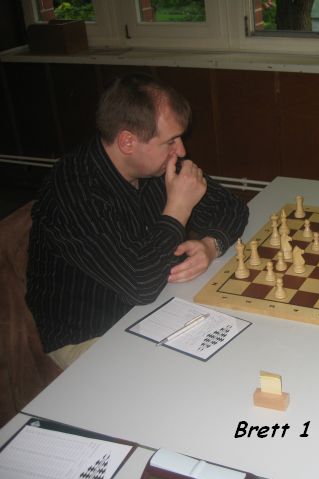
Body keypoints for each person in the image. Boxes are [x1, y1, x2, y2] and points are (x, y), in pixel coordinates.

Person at [27, 73, 249, 369]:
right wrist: (177, 208)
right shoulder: (72, 193)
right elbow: (140, 285)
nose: (182, 151)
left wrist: (211, 245)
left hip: (156, 303)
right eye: (171, 141)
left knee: (240, 340)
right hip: (89, 333)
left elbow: (232, 208)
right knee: (192, 375)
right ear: (128, 142)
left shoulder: (153, 166)